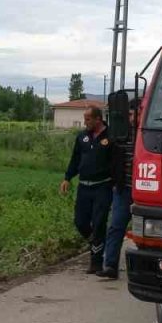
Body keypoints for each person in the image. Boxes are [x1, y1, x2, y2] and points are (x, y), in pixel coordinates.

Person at [60, 106, 112, 274]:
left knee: (99, 223)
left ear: (98, 119)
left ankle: (96, 262)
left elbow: (116, 161)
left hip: (103, 186)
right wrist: (67, 178)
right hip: (84, 187)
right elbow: (75, 159)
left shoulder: (111, 136)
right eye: (85, 118)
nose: (85, 122)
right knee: (80, 222)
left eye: (88, 119)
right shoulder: (82, 137)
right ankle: (96, 243)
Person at [99, 96, 138, 280]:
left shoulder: (149, 132)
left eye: (133, 114)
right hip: (124, 188)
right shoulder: (120, 133)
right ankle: (110, 265)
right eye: (129, 114)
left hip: (145, 191)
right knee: (115, 226)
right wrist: (114, 183)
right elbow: (112, 159)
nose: (131, 118)